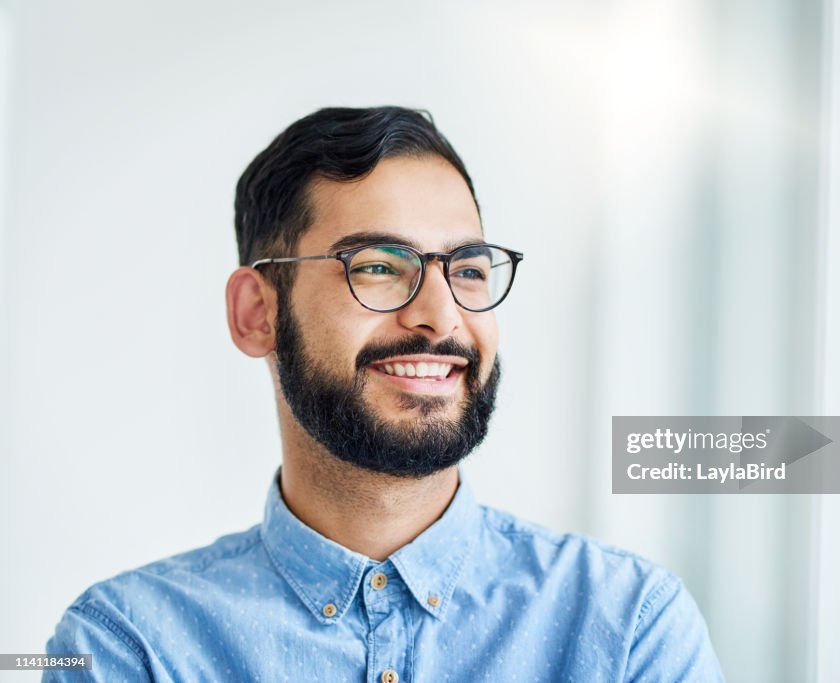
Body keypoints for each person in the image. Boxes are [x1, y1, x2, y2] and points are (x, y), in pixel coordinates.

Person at [45, 106, 723, 681]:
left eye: (468, 269)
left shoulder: (629, 627)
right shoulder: (125, 647)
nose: (441, 314)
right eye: (377, 266)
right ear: (257, 312)